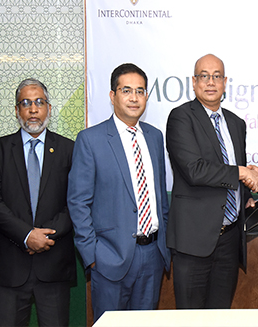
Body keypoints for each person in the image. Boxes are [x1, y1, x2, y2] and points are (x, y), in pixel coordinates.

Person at [67, 63, 170, 321]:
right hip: (109, 259)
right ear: (113, 96)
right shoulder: (90, 140)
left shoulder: (155, 137)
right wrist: (92, 255)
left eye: (140, 91)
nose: (134, 97)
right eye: (126, 90)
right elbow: (78, 202)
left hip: (152, 256)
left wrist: (163, 246)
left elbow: (160, 197)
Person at [166, 54, 258, 309]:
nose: (210, 82)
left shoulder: (236, 123)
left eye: (216, 76)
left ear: (225, 82)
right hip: (193, 241)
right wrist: (242, 172)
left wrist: (245, 196)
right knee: (190, 319)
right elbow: (194, 170)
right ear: (194, 82)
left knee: (220, 316)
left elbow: (232, 173)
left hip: (229, 239)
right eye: (204, 76)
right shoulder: (181, 117)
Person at [0, 78, 76, 326]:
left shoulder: (69, 149)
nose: (33, 110)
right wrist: (27, 235)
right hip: (11, 266)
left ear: (49, 108)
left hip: (54, 264)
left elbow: (75, 201)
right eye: (25, 103)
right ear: (16, 110)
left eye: (39, 103)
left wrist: (45, 236)